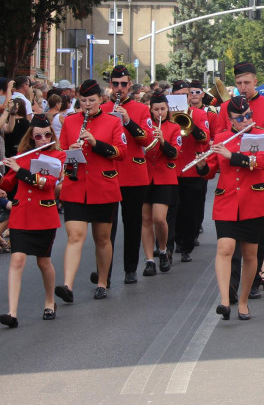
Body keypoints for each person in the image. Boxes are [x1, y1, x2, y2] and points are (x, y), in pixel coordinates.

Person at [196, 96, 264, 321]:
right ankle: (224, 300)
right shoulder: (222, 138)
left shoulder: (260, 135)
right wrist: (203, 165)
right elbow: (211, 171)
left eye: (248, 115)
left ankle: (243, 301)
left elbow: (261, 162)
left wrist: (232, 156)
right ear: (230, 120)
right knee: (224, 247)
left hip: (254, 201)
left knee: (251, 255)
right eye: (240, 118)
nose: (246, 120)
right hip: (227, 201)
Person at [55, 80, 125, 302]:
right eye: (83, 101)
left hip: (103, 187)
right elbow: (60, 153)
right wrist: (69, 151)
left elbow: (120, 152)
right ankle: (67, 285)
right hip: (76, 186)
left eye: (91, 101)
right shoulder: (70, 121)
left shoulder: (112, 122)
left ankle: (102, 281)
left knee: (102, 239)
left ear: (101, 99)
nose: (87, 105)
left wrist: (95, 143)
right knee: (75, 236)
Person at [0, 115, 65, 327]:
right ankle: (12, 313)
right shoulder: (22, 155)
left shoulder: (58, 156)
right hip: (21, 214)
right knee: (17, 260)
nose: (44, 139)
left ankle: (49, 301)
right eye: (39, 136)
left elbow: (47, 184)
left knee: (43, 262)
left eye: (47, 135)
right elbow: (7, 185)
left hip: (43, 215)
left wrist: (20, 170)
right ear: (32, 137)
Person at [101, 65, 153, 285]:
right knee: (106, 228)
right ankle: (105, 273)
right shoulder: (102, 109)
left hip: (133, 172)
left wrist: (127, 121)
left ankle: (130, 268)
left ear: (130, 85)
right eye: (115, 84)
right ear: (110, 86)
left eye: (123, 84)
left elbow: (147, 139)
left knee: (132, 223)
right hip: (109, 174)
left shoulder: (141, 110)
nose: (119, 88)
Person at [168, 79, 212, 263]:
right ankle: (169, 246)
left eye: (184, 95)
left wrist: (189, 122)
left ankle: (186, 245)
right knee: (170, 211)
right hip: (171, 168)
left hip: (192, 168)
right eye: (176, 96)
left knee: (190, 210)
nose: (181, 98)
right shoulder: (164, 115)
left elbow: (204, 138)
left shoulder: (200, 114)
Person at [142, 95, 181, 274]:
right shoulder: (146, 127)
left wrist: (162, 141)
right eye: (156, 109)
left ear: (168, 110)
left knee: (159, 218)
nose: (159, 113)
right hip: (145, 177)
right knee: (146, 220)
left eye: (163, 109)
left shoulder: (174, 128)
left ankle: (163, 250)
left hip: (165, 177)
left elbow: (174, 153)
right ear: (151, 110)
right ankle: (149, 260)